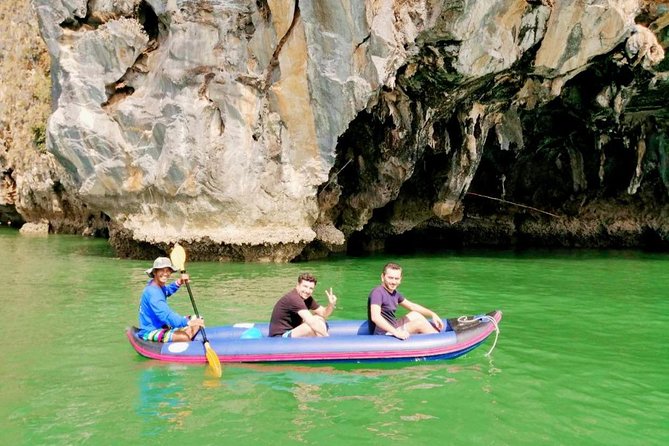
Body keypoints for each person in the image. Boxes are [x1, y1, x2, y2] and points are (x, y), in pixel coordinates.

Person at [367, 262, 444, 340]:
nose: (393, 282)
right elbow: (375, 317)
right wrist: (396, 332)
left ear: (400, 279)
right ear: (382, 277)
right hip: (383, 334)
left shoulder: (395, 293)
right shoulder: (377, 292)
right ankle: (441, 340)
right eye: (390, 278)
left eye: (396, 278)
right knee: (419, 323)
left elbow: (412, 306)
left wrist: (432, 314)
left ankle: (435, 333)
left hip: (392, 326)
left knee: (416, 314)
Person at [137, 257, 204, 342]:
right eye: (161, 270)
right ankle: (184, 338)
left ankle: (180, 335)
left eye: (167, 270)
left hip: (163, 325)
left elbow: (166, 291)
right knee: (183, 337)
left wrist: (179, 282)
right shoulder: (152, 292)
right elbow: (166, 315)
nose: (165, 273)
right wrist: (188, 323)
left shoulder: (158, 285)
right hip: (151, 330)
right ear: (155, 272)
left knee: (198, 317)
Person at [269, 272, 338, 338]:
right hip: (280, 337)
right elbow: (311, 322)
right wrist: (327, 337)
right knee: (309, 327)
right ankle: (324, 344)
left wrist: (331, 305)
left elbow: (323, 313)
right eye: (305, 286)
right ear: (298, 285)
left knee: (319, 318)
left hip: (292, 332)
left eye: (311, 288)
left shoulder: (307, 298)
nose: (307, 291)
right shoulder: (294, 298)